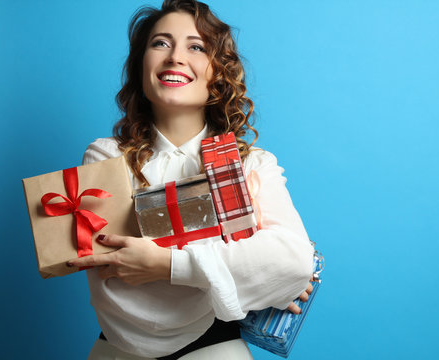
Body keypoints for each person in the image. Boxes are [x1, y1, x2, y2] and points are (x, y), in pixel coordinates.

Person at [68, 0, 315, 359]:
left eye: (196, 47)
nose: (175, 57)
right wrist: (248, 267)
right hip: (116, 350)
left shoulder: (251, 164)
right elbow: (114, 275)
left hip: (214, 348)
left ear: (218, 73)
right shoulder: (106, 158)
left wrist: (165, 264)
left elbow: (292, 263)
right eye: (160, 43)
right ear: (141, 66)